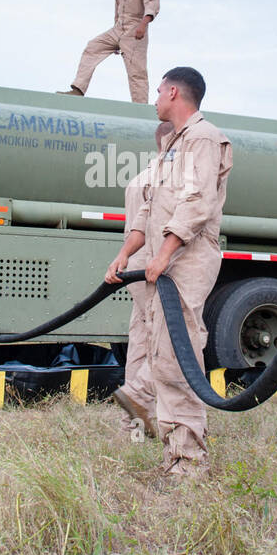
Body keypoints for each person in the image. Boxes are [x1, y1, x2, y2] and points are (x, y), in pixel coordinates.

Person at [106, 68, 231, 476]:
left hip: (188, 258)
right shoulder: (171, 148)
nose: (155, 98)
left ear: (174, 91)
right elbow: (146, 211)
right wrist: (126, 255)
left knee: (178, 354)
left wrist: (165, 254)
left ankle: (189, 460)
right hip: (164, 259)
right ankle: (168, 438)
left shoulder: (203, 138)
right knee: (161, 350)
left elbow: (198, 203)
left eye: (158, 91)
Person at [112, 120, 175, 438]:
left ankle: (132, 428)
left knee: (139, 341)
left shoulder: (138, 178)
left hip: (136, 268)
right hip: (155, 268)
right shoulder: (168, 177)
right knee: (166, 342)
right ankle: (140, 397)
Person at [61, 0, 159, 102]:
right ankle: (78, 89)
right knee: (92, 47)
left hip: (135, 29)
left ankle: (140, 107)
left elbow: (152, 4)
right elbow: (117, 9)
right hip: (118, 29)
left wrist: (143, 25)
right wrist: (116, 39)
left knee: (136, 71)